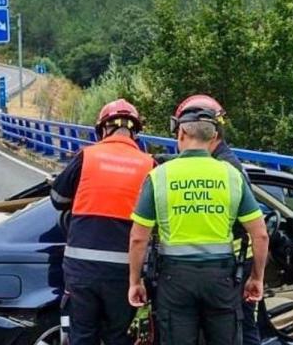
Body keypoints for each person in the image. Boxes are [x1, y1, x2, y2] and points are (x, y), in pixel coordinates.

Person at [127, 106, 269, 345]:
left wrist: (135, 281)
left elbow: (138, 239)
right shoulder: (231, 175)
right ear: (214, 136)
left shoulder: (160, 176)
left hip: (175, 280)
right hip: (221, 279)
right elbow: (261, 235)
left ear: (180, 133)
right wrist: (256, 278)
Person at [51, 99, 155, 345]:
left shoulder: (87, 156)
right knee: (118, 336)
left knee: (82, 334)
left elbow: (57, 198)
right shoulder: (149, 165)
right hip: (123, 273)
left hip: (82, 270)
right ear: (135, 132)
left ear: (102, 130)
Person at [172, 95, 260, 345]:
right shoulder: (227, 164)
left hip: (227, 263)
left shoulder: (223, 168)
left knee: (240, 327)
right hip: (228, 263)